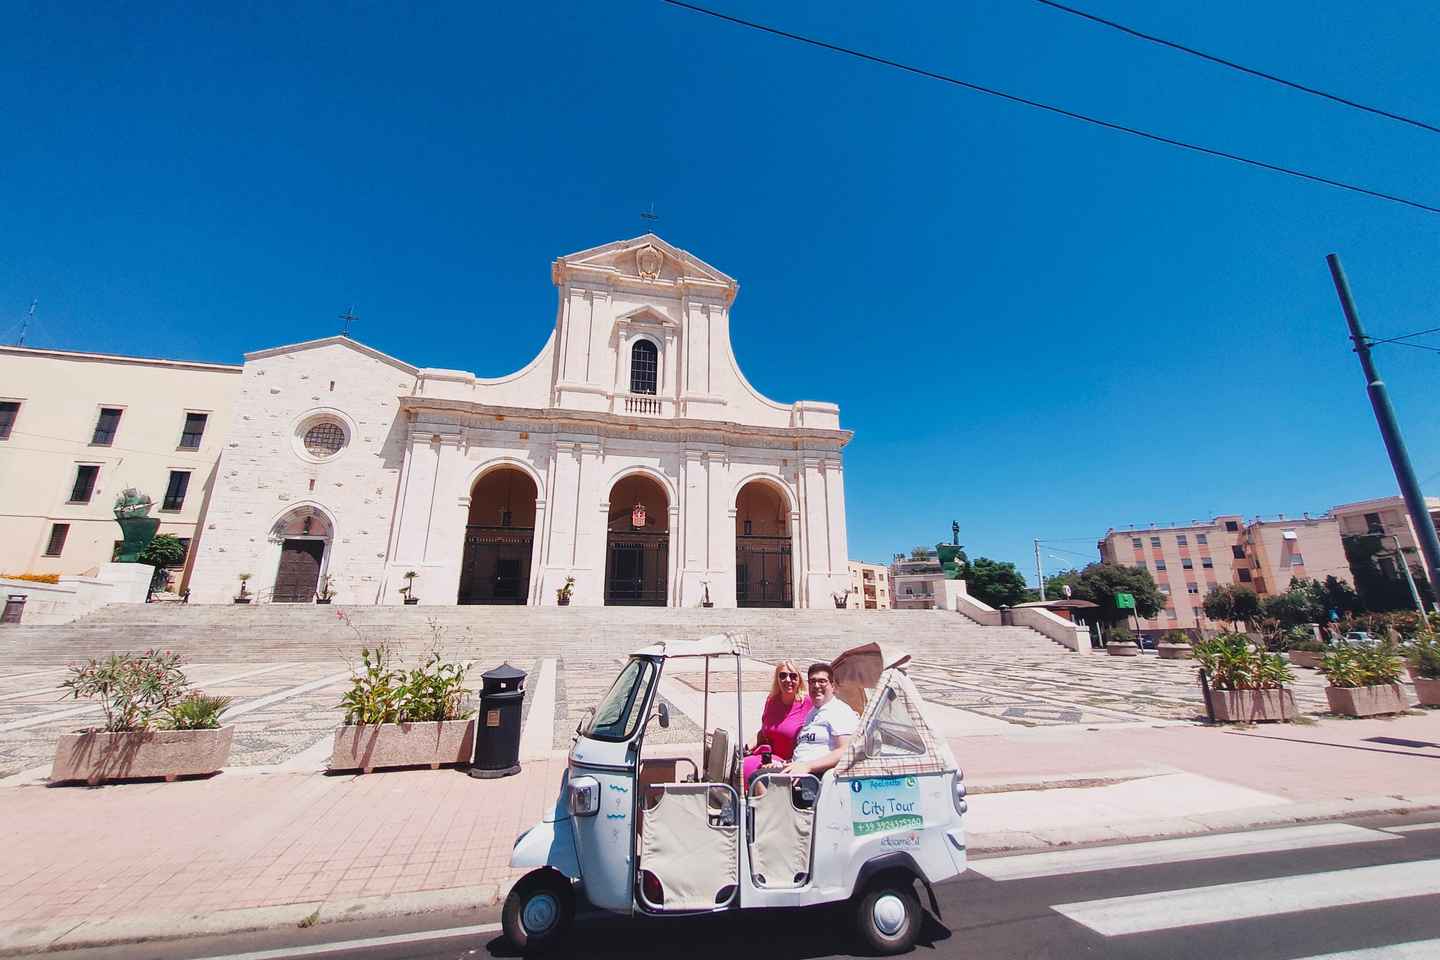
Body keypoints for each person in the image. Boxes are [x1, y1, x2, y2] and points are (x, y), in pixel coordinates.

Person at [782, 661, 859, 779]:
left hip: (818, 777)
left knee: (762, 781)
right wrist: (787, 764)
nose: (816, 686)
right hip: (799, 771)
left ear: (833, 686)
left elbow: (846, 751)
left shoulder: (839, 711)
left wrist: (808, 766)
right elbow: (807, 748)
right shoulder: (811, 713)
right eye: (812, 681)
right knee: (758, 775)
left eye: (822, 681)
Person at [742, 660, 811, 787]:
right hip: (767, 756)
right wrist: (746, 748)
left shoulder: (807, 703)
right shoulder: (772, 701)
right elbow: (763, 733)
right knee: (742, 765)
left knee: (756, 774)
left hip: (789, 761)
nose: (788, 680)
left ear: (799, 680)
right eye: (783, 675)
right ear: (777, 679)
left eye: (793, 676)